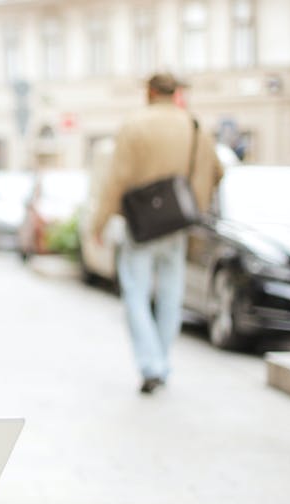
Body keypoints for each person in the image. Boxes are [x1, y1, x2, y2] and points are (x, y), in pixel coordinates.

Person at [91, 72, 223, 394]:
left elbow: (117, 179)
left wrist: (99, 223)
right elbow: (218, 171)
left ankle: (150, 364)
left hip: (142, 225)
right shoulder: (194, 126)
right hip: (177, 224)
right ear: (175, 93)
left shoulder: (134, 125)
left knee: (135, 293)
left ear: (150, 92)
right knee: (170, 294)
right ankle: (161, 362)